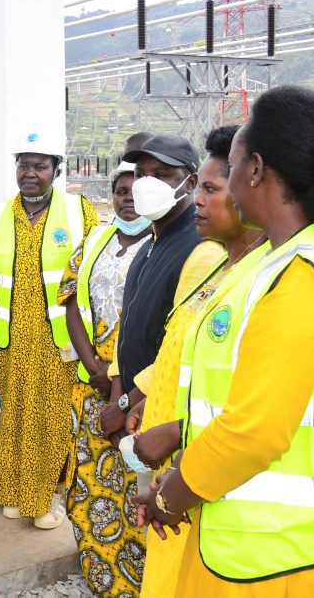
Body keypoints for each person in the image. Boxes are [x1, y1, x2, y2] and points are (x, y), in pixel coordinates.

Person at [138, 84, 314, 594]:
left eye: (231, 165)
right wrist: (182, 431)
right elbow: (277, 395)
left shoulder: (302, 274)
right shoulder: (277, 261)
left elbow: (258, 429)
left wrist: (171, 494)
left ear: (255, 169)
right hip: (259, 542)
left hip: (279, 554)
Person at [119, 125, 265, 597]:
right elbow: (179, 357)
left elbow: (248, 406)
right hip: (176, 458)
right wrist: (145, 404)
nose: (199, 200)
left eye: (210, 188)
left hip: (206, 473)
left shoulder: (258, 278)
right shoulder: (224, 268)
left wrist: (174, 456)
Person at [0, 132, 99, 529]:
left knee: (54, 420)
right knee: (16, 416)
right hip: (9, 341)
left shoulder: (80, 212)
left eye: (40, 166)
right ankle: (13, 491)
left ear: (55, 171)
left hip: (61, 342)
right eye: (24, 165)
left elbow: (93, 272)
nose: (30, 173)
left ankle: (45, 499)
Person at [57, 159, 151, 595]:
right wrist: (92, 363)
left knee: (136, 481)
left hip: (139, 383)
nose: (127, 198)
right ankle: (101, 577)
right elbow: (68, 297)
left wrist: (118, 379)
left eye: (136, 191)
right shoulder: (94, 239)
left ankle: (140, 582)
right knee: (91, 481)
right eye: (121, 191)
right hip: (91, 379)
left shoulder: (165, 244)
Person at [101, 135, 201, 449]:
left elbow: (181, 347)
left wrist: (125, 404)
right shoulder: (148, 247)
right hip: (133, 410)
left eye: (160, 175)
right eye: (142, 174)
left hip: (163, 408)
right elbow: (127, 328)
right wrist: (118, 398)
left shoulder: (199, 248)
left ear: (189, 183)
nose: (146, 183)